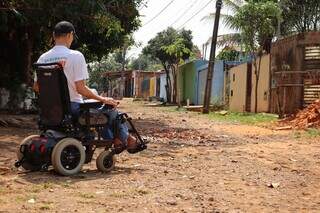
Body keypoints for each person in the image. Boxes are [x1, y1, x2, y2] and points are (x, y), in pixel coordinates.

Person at [33, 21, 138, 153]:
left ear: (54, 35)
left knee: (99, 107)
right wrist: (102, 99)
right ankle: (124, 139)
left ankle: (119, 139)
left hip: (49, 110)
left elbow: (37, 87)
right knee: (110, 109)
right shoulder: (75, 56)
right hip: (72, 109)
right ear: (70, 35)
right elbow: (81, 89)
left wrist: (55, 96)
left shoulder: (43, 58)